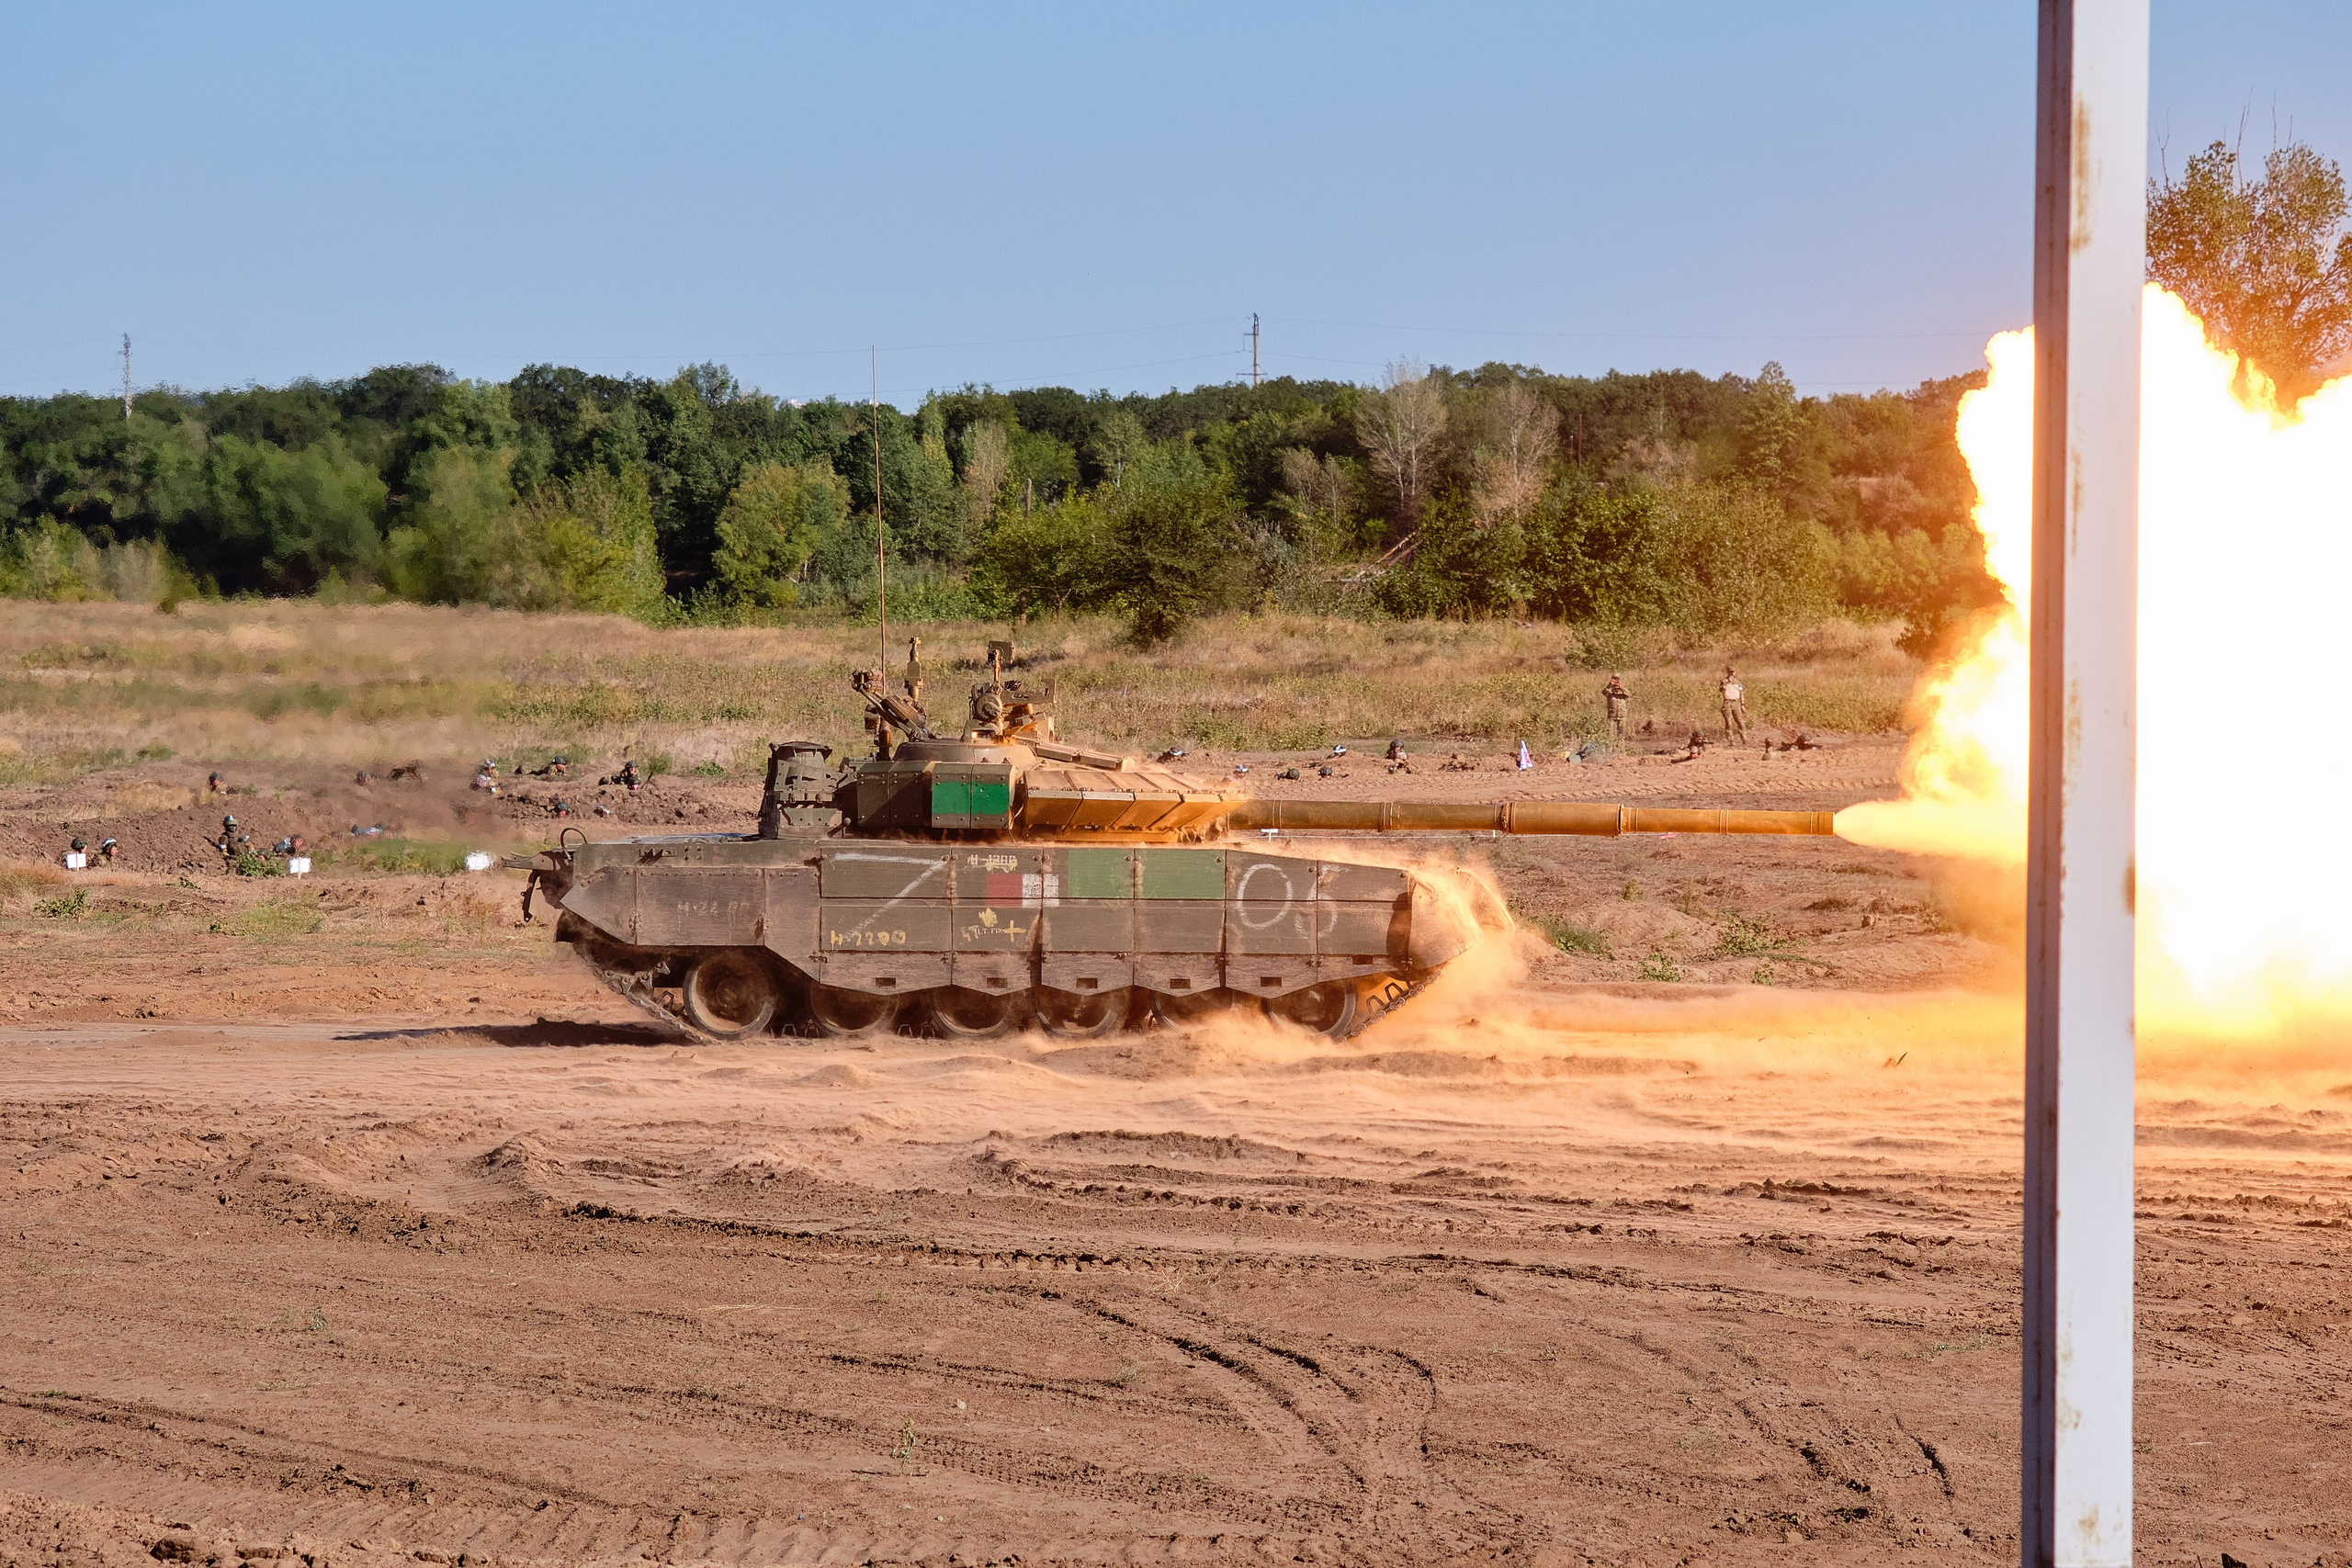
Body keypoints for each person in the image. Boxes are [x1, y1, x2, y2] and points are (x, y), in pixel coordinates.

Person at [1719, 665, 1750, 745]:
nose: (1732, 674)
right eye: (1731, 672)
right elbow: (1722, 689)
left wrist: (1742, 704)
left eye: (1734, 672)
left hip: (1736, 702)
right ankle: (1731, 740)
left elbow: (1741, 692)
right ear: (1728, 672)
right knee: (1728, 722)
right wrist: (1728, 682)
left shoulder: (1738, 682)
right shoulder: (1724, 681)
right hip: (1727, 702)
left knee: (1740, 721)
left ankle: (1744, 739)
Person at [1600, 674, 1632, 741]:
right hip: (1612, 716)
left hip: (1622, 716)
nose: (1616, 681)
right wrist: (1609, 685)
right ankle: (1610, 750)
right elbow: (1604, 692)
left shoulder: (1623, 691)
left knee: (1621, 735)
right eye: (1614, 679)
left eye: (1618, 679)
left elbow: (1629, 694)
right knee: (1610, 735)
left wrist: (1621, 687)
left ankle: (1621, 750)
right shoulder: (1609, 691)